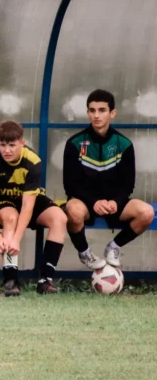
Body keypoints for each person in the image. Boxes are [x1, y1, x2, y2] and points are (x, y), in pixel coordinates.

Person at [62, 89, 154, 270]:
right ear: (88, 112)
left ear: (112, 113)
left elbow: (128, 184)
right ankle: (85, 253)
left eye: (102, 110)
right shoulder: (74, 143)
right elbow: (70, 184)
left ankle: (114, 247)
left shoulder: (124, 144)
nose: (96, 115)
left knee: (147, 213)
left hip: (114, 203)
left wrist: (116, 202)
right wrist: (93, 202)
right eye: (92, 110)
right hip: (85, 202)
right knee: (73, 210)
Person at [0, 120, 67, 296]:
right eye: (2, 145)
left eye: (12, 145)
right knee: (10, 218)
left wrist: (17, 239)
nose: (7, 150)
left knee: (60, 218)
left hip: (28, 199)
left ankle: (45, 280)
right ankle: (11, 280)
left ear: (22, 142)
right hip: (5, 201)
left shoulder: (33, 160)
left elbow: (28, 204)